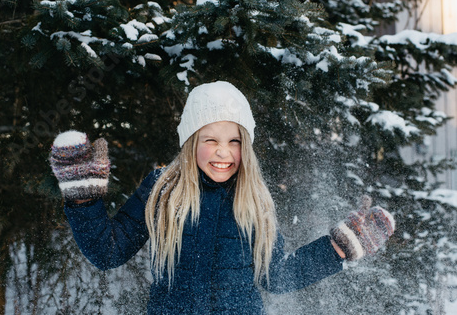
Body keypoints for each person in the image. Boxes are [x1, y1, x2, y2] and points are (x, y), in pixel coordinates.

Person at [49, 81, 395, 314]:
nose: (223, 152)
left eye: (234, 140)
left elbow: (276, 277)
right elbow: (108, 251)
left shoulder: (255, 202)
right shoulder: (162, 189)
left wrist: (336, 249)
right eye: (210, 139)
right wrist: (83, 201)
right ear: (190, 143)